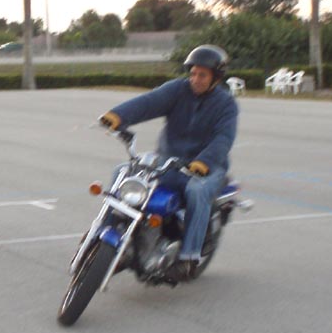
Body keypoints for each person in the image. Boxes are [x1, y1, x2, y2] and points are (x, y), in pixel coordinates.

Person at [99, 44, 238, 282]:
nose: (195, 79)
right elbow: (148, 102)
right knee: (122, 171)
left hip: (208, 166)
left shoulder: (225, 105)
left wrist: (204, 161)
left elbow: (223, 139)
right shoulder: (178, 90)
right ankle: (108, 230)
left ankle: (188, 258)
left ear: (216, 78)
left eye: (202, 75)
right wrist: (118, 115)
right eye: (193, 73)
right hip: (169, 159)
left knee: (197, 190)